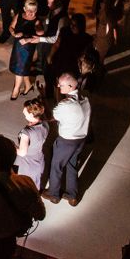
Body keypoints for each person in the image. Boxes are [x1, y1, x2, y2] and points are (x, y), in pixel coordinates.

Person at [42, 73, 91, 207]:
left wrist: (45, 98)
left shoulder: (65, 104)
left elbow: (53, 116)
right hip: (81, 139)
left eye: (61, 84)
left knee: (56, 166)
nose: (58, 86)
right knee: (72, 165)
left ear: (70, 86)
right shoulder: (85, 98)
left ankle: (54, 194)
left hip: (66, 141)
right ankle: (72, 196)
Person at [9, 0, 43, 100]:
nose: (31, 13)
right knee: (21, 67)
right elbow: (11, 27)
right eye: (28, 10)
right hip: (17, 46)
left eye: (34, 10)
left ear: (36, 10)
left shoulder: (36, 21)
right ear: (24, 9)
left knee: (20, 68)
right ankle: (28, 85)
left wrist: (31, 34)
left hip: (27, 49)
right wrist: (14, 33)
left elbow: (41, 33)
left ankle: (16, 89)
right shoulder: (19, 15)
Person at [16, 98, 49, 189]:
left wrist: (11, 146)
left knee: (24, 186)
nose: (23, 111)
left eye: (25, 111)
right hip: (38, 160)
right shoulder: (45, 124)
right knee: (35, 184)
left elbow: (22, 153)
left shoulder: (27, 132)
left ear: (31, 114)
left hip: (27, 164)